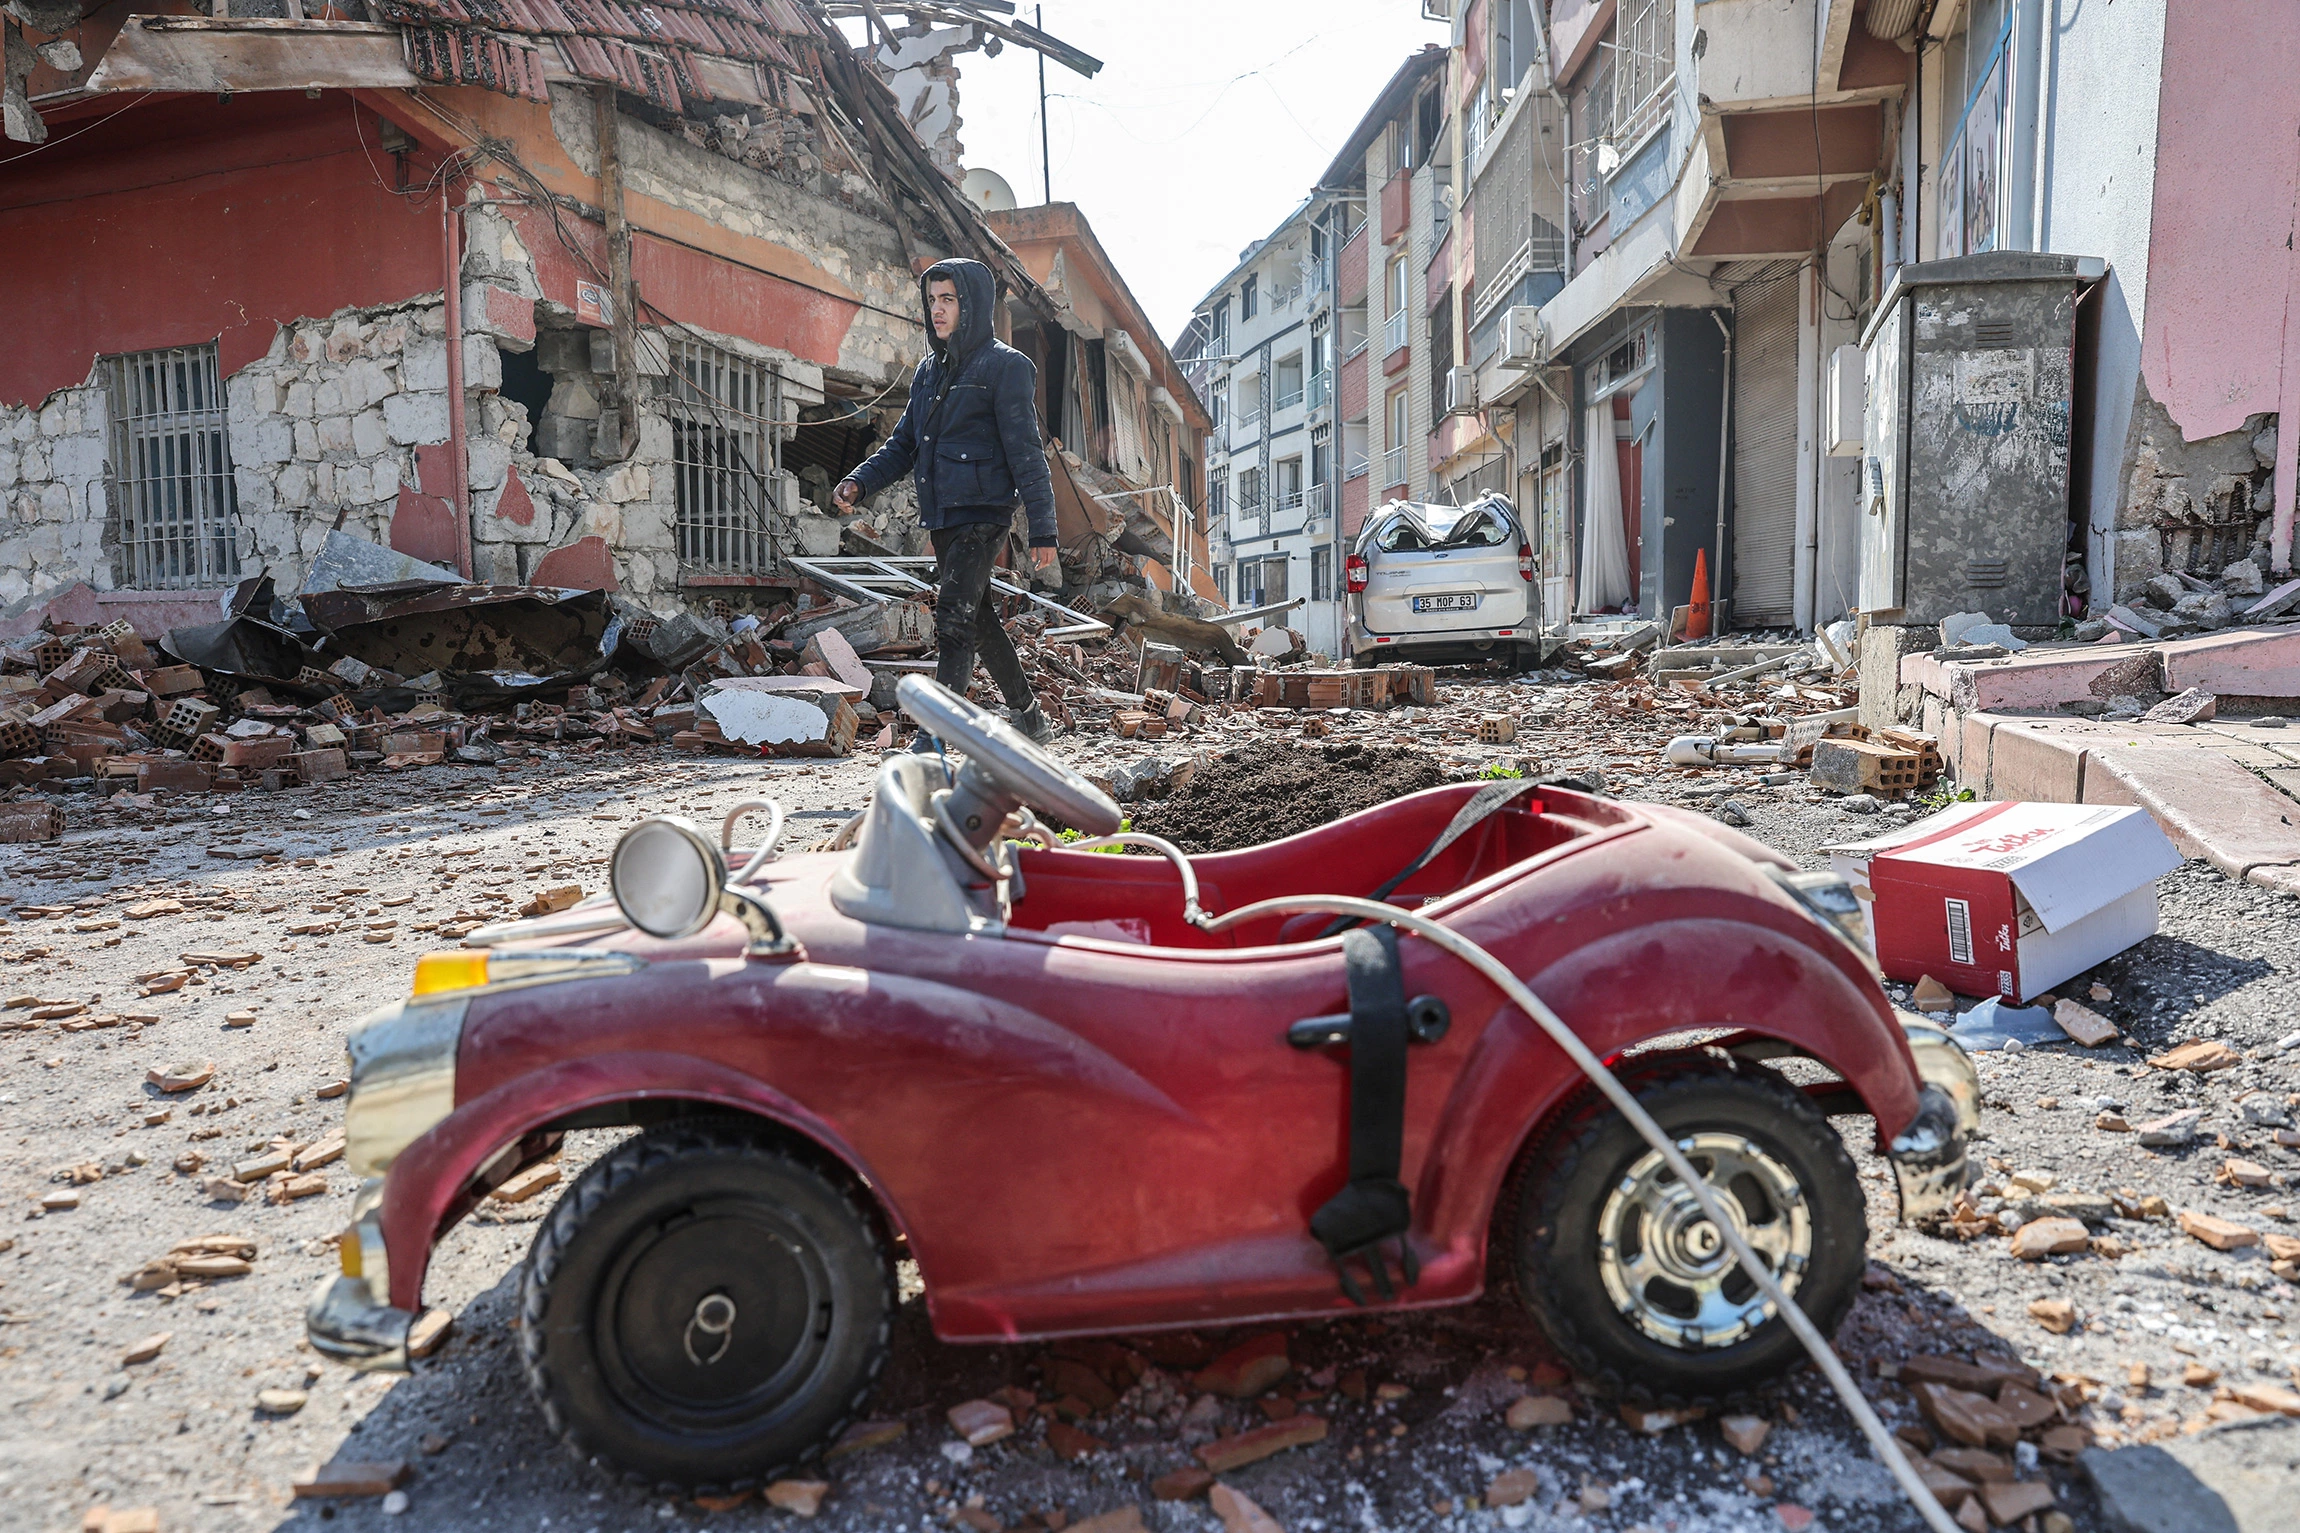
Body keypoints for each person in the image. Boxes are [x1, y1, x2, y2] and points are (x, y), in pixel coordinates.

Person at [835, 257, 1059, 744]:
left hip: (984, 514)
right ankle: (1029, 716)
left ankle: (935, 738)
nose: (937, 310)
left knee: (953, 618)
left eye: (949, 300)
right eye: (932, 300)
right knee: (978, 619)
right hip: (943, 516)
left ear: (972, 305)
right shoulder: (927, 374)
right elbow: (903, 446)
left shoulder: (1006, 367)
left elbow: (1026, 452)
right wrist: (859, 482)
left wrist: (1044, 529)